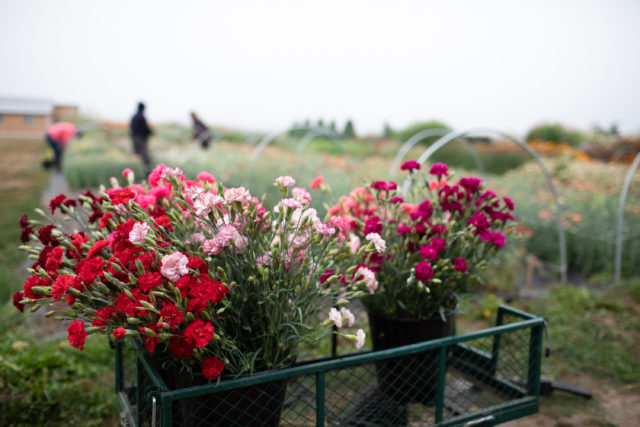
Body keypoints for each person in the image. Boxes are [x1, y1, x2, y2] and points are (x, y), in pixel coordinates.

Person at [130, 102, 153, 175]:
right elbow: (145, 129)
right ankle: (147, 173)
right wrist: (151, 132)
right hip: (141, 139)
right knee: (145, 157)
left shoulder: (133, 117)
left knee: (136, 156)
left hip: (134, 138)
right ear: (143, 108)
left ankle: (136, 172)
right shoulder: (141, 117)